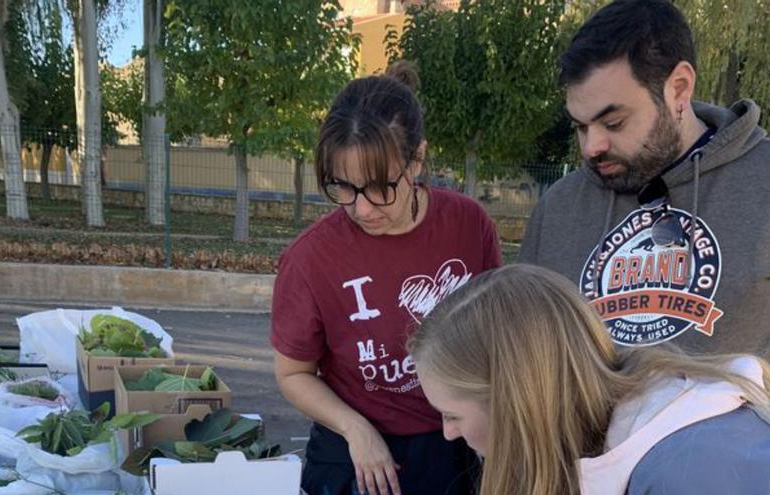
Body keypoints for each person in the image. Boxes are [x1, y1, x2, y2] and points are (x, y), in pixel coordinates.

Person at [271, 62, 502, 495]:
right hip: (353, 449)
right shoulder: (309, 258)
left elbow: (495, 338)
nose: (362, 209)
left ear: (417, 160)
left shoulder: (469, 225)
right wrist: (355, 429)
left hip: (452, 445)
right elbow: (293, 373)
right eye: (343, 187)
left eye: (380, 187)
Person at [518, 0, 770, 355]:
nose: (592, 147)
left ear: (679, 88)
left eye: (614, 123)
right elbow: (526, 357)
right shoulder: (557, 209)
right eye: (580, 126)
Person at [409, 263, 770, 495]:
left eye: (452, 414)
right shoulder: (604, 441)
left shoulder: (687, 472)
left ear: (516, 401)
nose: (448, 433)